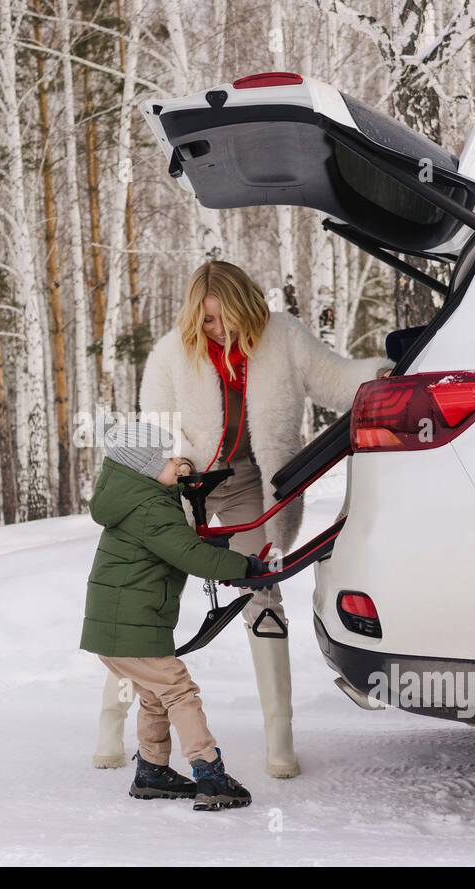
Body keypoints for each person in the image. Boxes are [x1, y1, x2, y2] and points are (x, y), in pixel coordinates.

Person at [92, 261, 393, 778]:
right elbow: (156, 431)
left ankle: (280, 741)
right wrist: (179, 466)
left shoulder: (282, 337)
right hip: (184, 482)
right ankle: (108, 729)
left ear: (249, 306)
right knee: (144, 606)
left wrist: (377, 374)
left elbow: (337, 380)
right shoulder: (172, 352)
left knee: (261, 589)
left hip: (250, 483)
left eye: (227, 318)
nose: (220, 330)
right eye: (208, 321)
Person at [80, 417, 270, 811]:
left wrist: (180, 476)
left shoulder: (133, 497)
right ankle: (209, 772)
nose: (176, 462)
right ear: (146, 468)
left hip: (122, 625)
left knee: (155, 695)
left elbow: (174, 531)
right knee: (178, 689)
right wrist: (243, 566)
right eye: (167, 458)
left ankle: (152, 771)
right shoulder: (150, 509)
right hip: (129, 626)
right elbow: (190, 554)